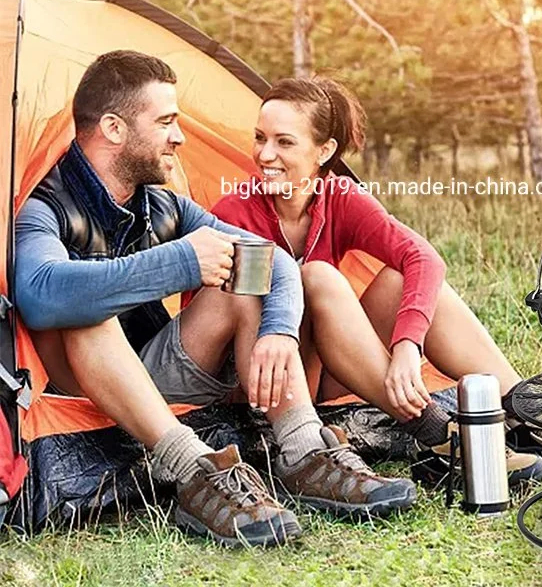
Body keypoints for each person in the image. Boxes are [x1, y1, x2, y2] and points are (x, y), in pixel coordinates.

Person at [14, 52, 415, 548]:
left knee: (245, 277)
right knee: (84, 311)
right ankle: (193, 471)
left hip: (153, 368)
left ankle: (302, 451)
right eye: (165, 122)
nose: (179, 136)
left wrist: (278, 331)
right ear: (114, 129)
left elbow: (276, 263)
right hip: (82, 391)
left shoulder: (161, 204)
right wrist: (181, 262)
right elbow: (38, 295)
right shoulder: (43, 207)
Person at [212, 77, 542, 487]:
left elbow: (422, 257)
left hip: (324, 371)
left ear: (325, 151)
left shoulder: (336, 196)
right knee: (318, 276)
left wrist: (407, 345)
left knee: (401, 276)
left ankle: (529, 416)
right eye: (260, 138)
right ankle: (437, 436)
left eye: (284, 142)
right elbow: (221, 325)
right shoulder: (234, 211)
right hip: (263, 378)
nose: (265, 154)